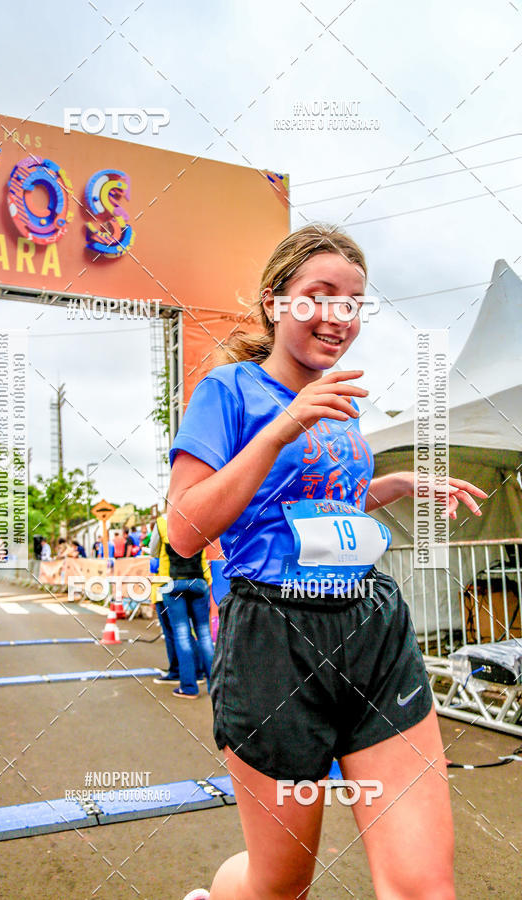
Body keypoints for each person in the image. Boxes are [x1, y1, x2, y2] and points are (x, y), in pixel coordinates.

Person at [168, 224, 488, 899]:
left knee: (425, 886)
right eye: (319, 295)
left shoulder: (341, 411)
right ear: (275, 303)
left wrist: (390, 488)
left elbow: (314, 513)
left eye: (353, 301)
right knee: (279, 885)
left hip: (372, 629)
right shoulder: (230, 391)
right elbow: (187, 528)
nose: (338, 315)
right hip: (273, 640)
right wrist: (285, 424)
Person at [151, 512, 214, 699]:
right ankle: (215, 686)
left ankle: (188, 686)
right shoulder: (200, 520)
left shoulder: (162, 523)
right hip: (199, 582)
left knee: (182, 634)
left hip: (173, 582)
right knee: (204, 634)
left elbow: (153, 552)